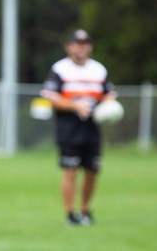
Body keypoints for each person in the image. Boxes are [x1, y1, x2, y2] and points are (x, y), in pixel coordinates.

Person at [40, 29, 117, 226]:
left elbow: (109, 92)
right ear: (69, 46)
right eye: (77, 43)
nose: (81, 47)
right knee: (70, 170)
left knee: (92, 170)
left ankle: (85, 210)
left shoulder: (98, 69)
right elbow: (50, 95)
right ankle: (70, 214)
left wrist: (109, 105)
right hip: (69, 127)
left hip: (92, 127)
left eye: (85, 44)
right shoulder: (60, 68)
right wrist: (75, 105)